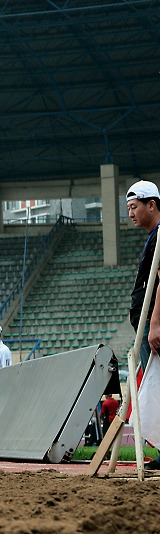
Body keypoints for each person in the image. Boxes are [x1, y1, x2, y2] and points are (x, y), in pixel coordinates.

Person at [125, 180, 160, 469]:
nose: (131, 213)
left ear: (152, 205)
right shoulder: (152, 236)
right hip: (146, 323)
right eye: (128, 209)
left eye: (134, 207)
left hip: (153, 325)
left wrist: (155, 323)